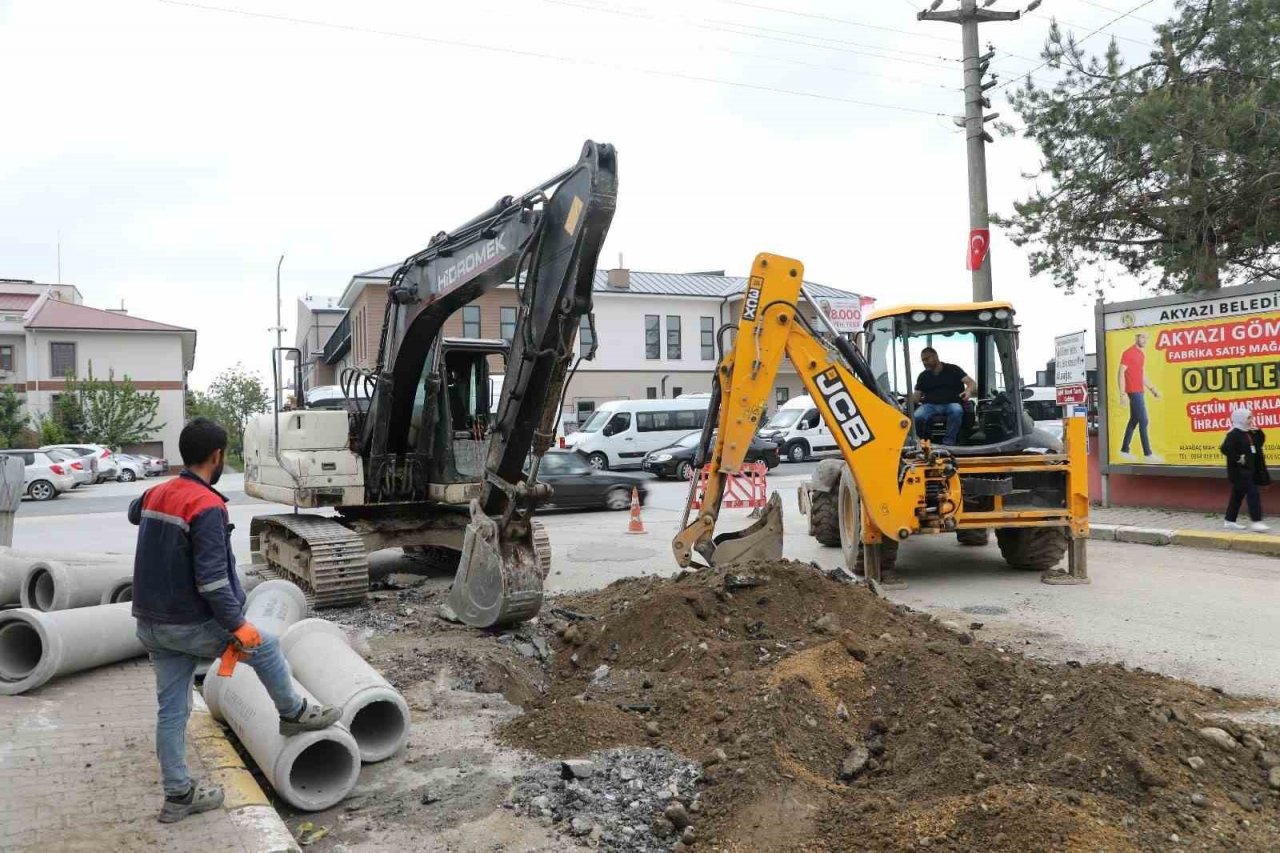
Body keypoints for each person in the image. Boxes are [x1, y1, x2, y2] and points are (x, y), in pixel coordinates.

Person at [130, 418, 341, 824]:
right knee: (267, 646)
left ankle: (178, 795)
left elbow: (133, 512)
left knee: (171, 712)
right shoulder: (206, 505)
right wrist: (237, 626)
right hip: (188, 623)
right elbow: (211, 581)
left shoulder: (157, 493)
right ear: (217, 456)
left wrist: (161, 495)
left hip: (151, 624)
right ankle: (293, 713)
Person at [912, 347, 977, 445]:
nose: (924, 362)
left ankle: (948, 442)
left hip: (951, 403)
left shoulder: (953, 369)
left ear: (935, 357)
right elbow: (916, 398)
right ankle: (923, 441)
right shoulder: (923, 376)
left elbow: (971, 383)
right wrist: (908, 400)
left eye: (927, 359)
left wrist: (968, 391)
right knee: (917, 416)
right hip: (930, 405)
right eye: (923, 360)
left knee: (957, 410)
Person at [1221, 407, 1270, 532]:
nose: (1251, 420)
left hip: (1250, 469)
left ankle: (1229, 521)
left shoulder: (1249, 432)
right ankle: (1256, 521)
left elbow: (1259, 443)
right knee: (1253, 493)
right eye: (1249, 418)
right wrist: (1238, 458)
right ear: (1240, 419)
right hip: (1240, 471)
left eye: (1251, 417)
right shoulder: (1234, 434)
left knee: (1237, 495)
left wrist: (1258, 431)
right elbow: (1225, 448)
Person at [1117, 332, 1162, 462]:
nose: (1144, 340)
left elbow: (1141, 375)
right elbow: (1121, 373)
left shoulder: (1141, 355)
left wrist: (1152, 389)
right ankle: (1148, 454)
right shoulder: (1128, 353)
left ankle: (1124, 450)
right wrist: (1122, 393)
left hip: (1140, 390)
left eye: (1146, 338)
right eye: (1142, 337)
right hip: (1133, 391)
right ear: (1136, 337)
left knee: (1134, 420)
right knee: (1144, 420)